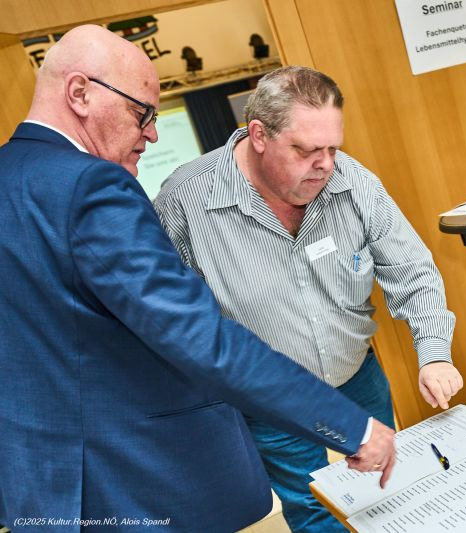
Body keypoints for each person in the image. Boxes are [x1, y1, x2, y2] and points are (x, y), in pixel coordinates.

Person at [0, 25, 396, 531]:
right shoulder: (92, 186)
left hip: (38, 484)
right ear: (79, 93)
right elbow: (200, 337)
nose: (152, 133)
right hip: (132, 482)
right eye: (141, 113)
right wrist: (351, 426)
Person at [154, 66, 463, 532]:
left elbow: (412, 271)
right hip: (270, 397)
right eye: (306, 150)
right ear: (259, 135)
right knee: (316, 509)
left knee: (383, 491)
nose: (325, 165)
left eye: (332, 148)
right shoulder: (185, 201)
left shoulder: (353, 182)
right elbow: (168, 318)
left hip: (355, 374)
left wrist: (434, 353)